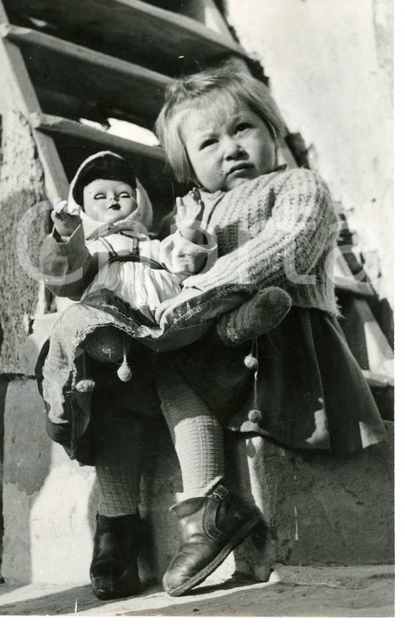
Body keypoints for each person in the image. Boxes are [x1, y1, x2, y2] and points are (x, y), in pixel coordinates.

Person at [36, 62, 386, 602]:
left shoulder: (297, 185)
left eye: (243, 128)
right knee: (135, 383)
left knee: (182, 363)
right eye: (209, 142)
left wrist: (196, 292)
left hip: (283, 338)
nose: (231, 148)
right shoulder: (195, 211)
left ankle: (206, 510)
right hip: (214, 341)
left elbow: (286, 248)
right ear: (187, 166)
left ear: (272, 131)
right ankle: (171, 521)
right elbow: (175, 270)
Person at [36, 146, 291, 599]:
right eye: (100, 196)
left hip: (167, 332)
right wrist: (63, 235)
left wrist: (190, 228)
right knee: (116, 412)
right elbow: (64, 278)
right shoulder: (95, 251)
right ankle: (116, 537)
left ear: (140, 203)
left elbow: (190, 263)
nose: (113, 201)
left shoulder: (158, 245)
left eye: (122, 193)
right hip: (115, 352)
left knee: (193, 349)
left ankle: (208, 513)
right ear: (84, 209)